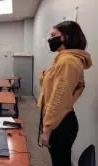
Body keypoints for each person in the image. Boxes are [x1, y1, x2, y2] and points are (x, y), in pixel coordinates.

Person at [38, 21, 92, 166]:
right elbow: (49, 86)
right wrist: (46, 75)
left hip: (60, 123)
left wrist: (47, 129)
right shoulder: (63, 59)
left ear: (66, 37)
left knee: (60, 162)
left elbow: (58, 99)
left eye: (53, 35)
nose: (50, 39)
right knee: (61, 160)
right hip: (61, 120)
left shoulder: (68, 62)